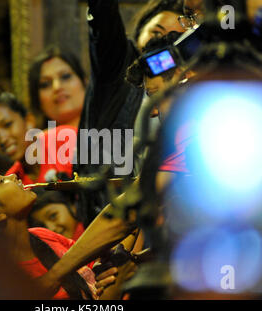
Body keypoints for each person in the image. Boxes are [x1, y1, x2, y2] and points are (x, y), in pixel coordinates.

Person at [0, 169, 136, 299]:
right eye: (1, 180)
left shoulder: (41, 236)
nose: (13, 176)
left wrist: (112, 268)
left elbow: (102, 264)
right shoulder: (11, 284)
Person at [75, 0, 186, 226]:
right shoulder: (119, 67)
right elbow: (103, 19)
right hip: (109, 212)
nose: (160, 43)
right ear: (140, 31)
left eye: (175, 38)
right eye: (157, 32)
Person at [0, 89, 77, 184]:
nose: (2, 139)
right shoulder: (12, 182)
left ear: (29, 121)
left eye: (7, 125)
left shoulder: (65, 139)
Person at [28, 46, 87, 129]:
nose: (57, 87)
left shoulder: (108, 131)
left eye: (65, 76)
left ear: (84, 82)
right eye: (45, 84)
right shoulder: (39, 141)